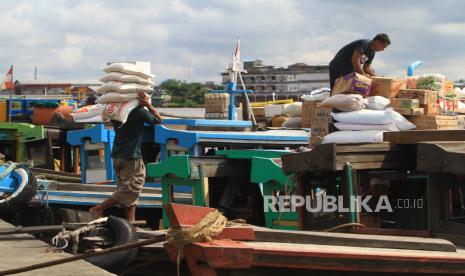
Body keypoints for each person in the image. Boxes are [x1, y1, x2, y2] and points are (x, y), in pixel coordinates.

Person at [89, 92, 163, 221]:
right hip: (131, 156)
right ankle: (99, 208)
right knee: (132, 189)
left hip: (117, 155)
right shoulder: (138, 111)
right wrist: (147, 105)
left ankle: (131, 223)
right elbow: (158, 120)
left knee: (128, 192)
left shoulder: (117, 111)